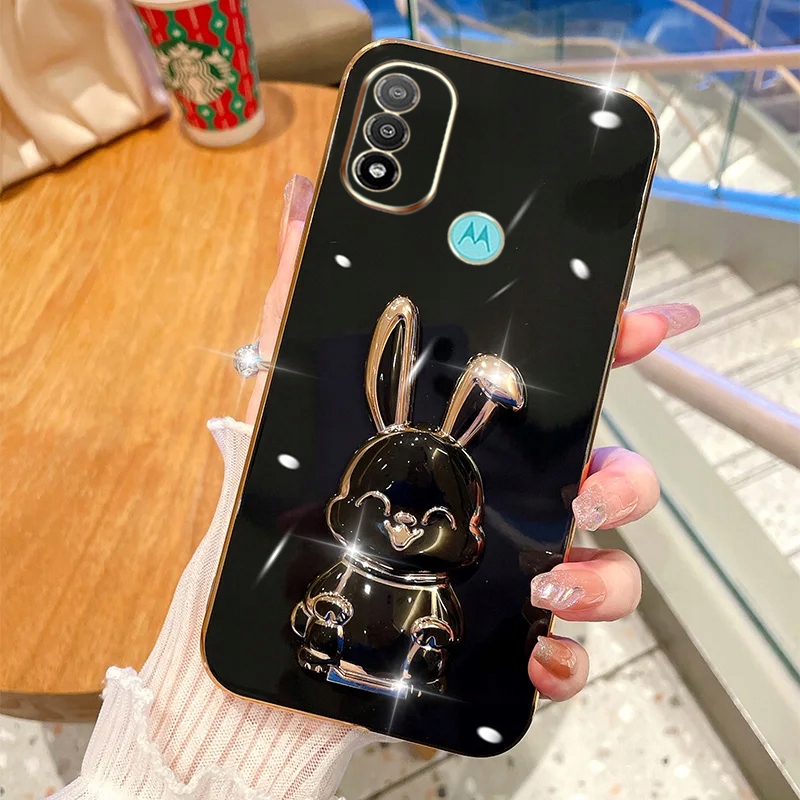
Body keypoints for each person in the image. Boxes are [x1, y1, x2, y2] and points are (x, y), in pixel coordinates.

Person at [51, 175, 700, 800]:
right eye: (381, 507)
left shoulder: (434, 577)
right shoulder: (345, 548)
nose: (402, 526)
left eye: (430, 519)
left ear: (467, 532)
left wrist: (434, 642)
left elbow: (438, 617)